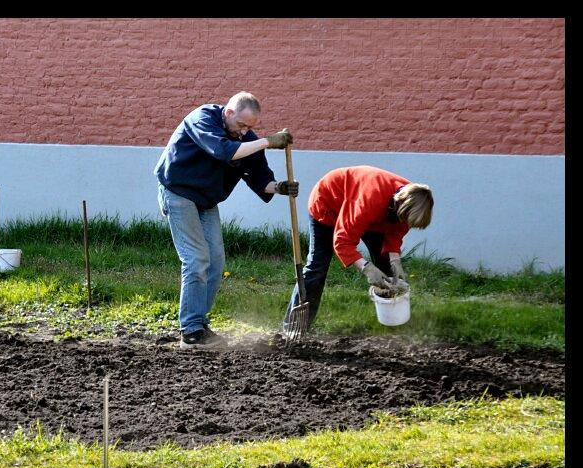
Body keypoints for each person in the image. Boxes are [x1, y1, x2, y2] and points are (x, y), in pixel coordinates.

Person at [154, 92, 296, 350]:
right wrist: (267, 141)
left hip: (206, 201)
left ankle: (199, 322)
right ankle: (191, 330)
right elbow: (223, 151)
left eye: (249, 128)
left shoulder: (247, 140)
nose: (244, 132)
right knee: (196, 259)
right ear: (228, 112)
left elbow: (260, 179)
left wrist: (281, 187)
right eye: (241, 125)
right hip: (178, 193)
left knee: (216, 262)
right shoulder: (203, 118)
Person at [282, 165, 435, 331]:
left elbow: (395, 232)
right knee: (317, 268)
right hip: (329, 203)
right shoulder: (369, 200)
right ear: (400, 207)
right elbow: (342, 241)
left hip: (372, 212)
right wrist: (367, 268)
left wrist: (395, 260)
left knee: (387, 269)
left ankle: (393, 323)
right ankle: (294, 327)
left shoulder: (412, 201)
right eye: (405, 220)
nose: (406, 224)